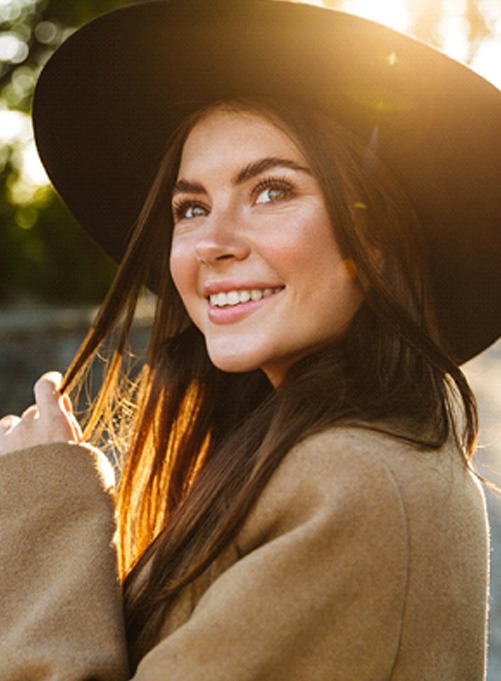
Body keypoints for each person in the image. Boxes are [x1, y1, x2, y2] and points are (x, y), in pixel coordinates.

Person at [1, 0, 501, 678]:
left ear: (377, 240)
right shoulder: (305, 455)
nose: (212, 243)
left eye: (271, 191)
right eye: (191, 206)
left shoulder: (353, 482)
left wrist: (46, 515)